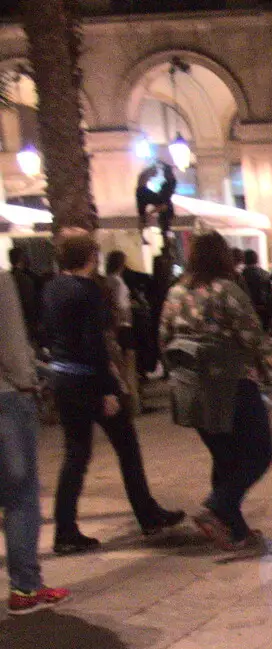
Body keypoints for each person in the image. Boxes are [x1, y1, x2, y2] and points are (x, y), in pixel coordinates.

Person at [40, 229, 183, 554]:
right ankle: (148, 515)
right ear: (92, 257)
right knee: (126, 446)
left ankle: (65, 529)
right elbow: (95, 342)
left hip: (63, 376)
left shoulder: (51, 288)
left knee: (75, 454)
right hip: (90, 379)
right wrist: (107, 388)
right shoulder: (88, 291)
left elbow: (48, 330)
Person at [161, 231, 272, 552]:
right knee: (259, 452)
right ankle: (216, 507)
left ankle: (236, 530)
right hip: (229, 385)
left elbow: (164, 337)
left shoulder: (176, 293)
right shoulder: (227, 291)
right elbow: (255, 338)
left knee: (224, 458)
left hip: (189, 387)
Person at [0, 268, 68, 614]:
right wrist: (28, 381)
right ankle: (26, 587)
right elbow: (10, 340)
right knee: (20, 494)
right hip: (5, 397)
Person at [103, 250, 141, 415]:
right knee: (127, 366)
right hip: (123, 327)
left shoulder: (107, 281)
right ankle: (132, 404)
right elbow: (121, 305)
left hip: (119, 328)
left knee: (123, 367)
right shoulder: (116, 282)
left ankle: (131, 402)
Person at [238, 249, 272, 337]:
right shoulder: (265, 274)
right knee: (264, 333)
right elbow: (271, 292)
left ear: (244, 260)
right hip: (265, 308)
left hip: (250, 308)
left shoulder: (242, 276)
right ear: (257, 259)